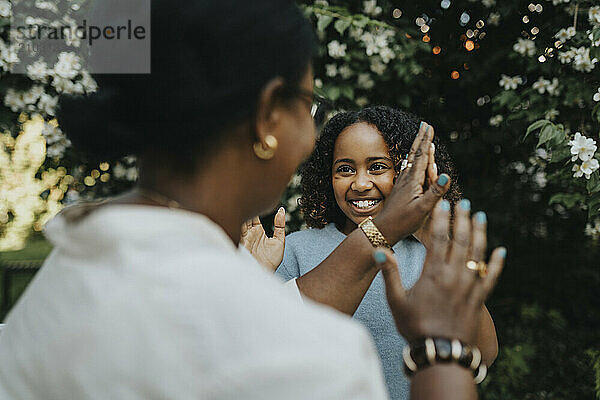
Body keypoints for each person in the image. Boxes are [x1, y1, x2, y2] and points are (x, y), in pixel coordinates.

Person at [0, 1, 505, 399]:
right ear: (268, 116)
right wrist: (441, 356)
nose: (311, 137)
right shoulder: (311, 360)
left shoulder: (54, 291)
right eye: (308, 106)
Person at [243, 106, 497, 399]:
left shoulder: (426, 254)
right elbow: (270, 347)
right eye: (345, 169)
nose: (360, 184)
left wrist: (435, 241)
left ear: (405, 174)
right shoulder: (295, 249)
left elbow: (484, 354)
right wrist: (252, 278)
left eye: (377, 167)